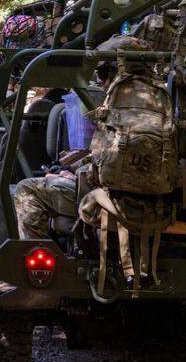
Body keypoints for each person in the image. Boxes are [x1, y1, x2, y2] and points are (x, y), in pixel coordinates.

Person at [13, 60, 118, 240]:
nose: (99, 82)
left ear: (110, 75)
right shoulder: (161, 99)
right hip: (154, 203)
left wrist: (73, 174)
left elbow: (103, 160)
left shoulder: (109, 107)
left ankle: (38, 251)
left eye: (100, 75)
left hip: (105, 196)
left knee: (26, 188)